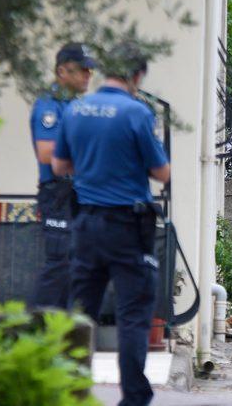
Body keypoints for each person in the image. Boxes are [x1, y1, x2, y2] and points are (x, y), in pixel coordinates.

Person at [52, 41, 169, 406]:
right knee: (133, 314)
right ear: (137, 76)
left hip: (86, 223)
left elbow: (58, 166)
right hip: (126, 227)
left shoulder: (76, 108)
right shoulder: (137, 113)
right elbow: (161, 172)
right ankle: (133, 398)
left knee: (80, 309)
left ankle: (70, 391)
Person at [30, 42, 96, 309]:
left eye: (90, 70)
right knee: (59, 262)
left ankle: (64, 336)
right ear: (61, 71)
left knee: (77, 264)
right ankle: (35, 332)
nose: (88, 75)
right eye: (82, 69)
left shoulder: (76, 105)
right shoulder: (49, 104)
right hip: (57, 193)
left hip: (78, 192)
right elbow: (46, 153)